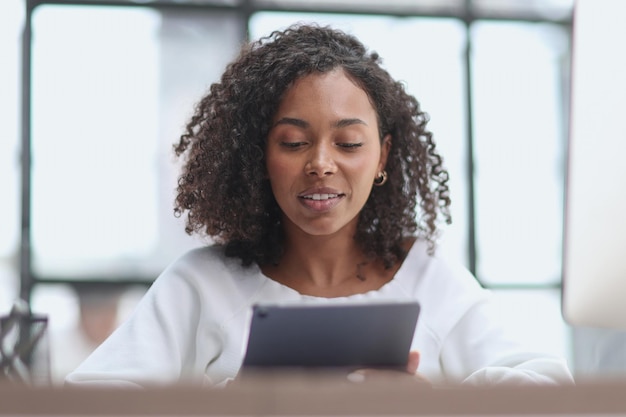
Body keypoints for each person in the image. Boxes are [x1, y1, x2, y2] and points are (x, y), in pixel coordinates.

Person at [65, 24, 573, 388]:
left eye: (349, 144)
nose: (321, 164)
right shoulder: (201, 285)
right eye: (292, 143)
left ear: (382, 157)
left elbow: (548, 385)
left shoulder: (429, 279)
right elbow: (87, 401)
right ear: (259, 156)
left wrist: (433, 404)